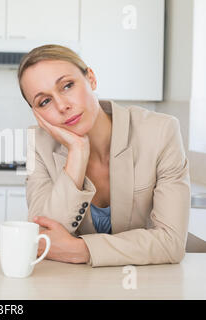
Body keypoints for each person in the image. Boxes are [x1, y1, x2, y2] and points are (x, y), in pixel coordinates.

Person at [18, 44, 190, 267]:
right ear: (37, 113)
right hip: (72, 287)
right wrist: (77, 152)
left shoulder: (160, 131)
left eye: (67, 86)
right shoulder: (39, 143)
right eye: (44, 101)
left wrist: (83, 250)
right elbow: (43, 238)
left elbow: (171, 242)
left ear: (91, 79)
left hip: (146, 285)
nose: (62, 106)